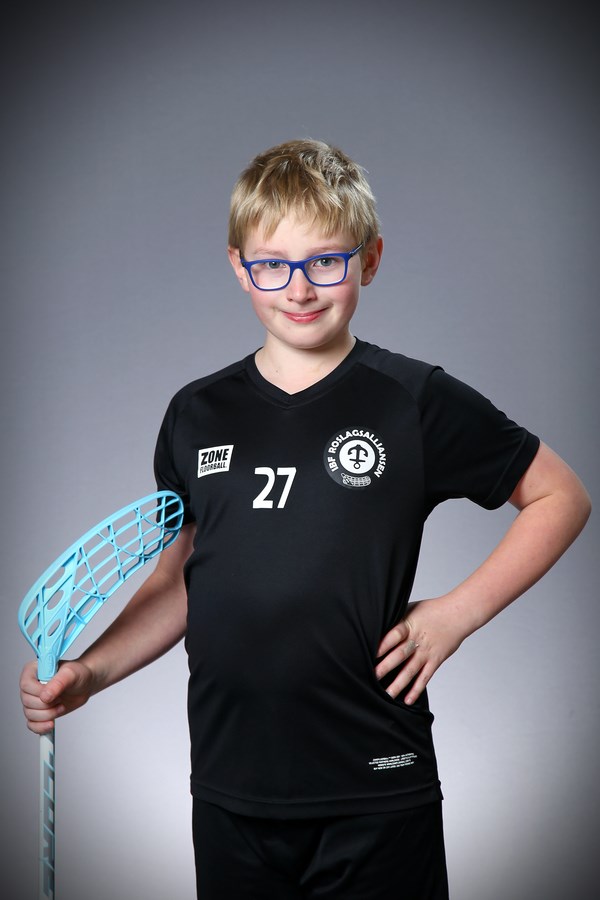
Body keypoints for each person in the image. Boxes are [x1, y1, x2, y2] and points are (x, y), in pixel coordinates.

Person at [20, 139, 591, 899]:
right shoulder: (195, 414)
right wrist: (90, 672)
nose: (299, 288)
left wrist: (458, 614)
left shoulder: (412, 400)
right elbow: (179, 585)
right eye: (272, 265)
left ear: (370, 259)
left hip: (374, 788)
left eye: (327, 261)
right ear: (238, 266)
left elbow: (561, 497)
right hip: (231, 788)